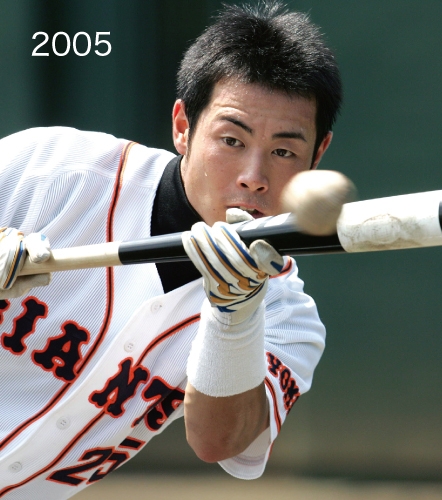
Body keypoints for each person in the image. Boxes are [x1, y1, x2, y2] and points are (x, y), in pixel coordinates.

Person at [0, 1, 342, 498]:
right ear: (183, 126)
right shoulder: (50, 171)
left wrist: (235, 316)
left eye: (283, 151)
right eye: (231, 140)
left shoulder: (285, 315)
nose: (254, 176)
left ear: (318, 154)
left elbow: (219, 442)